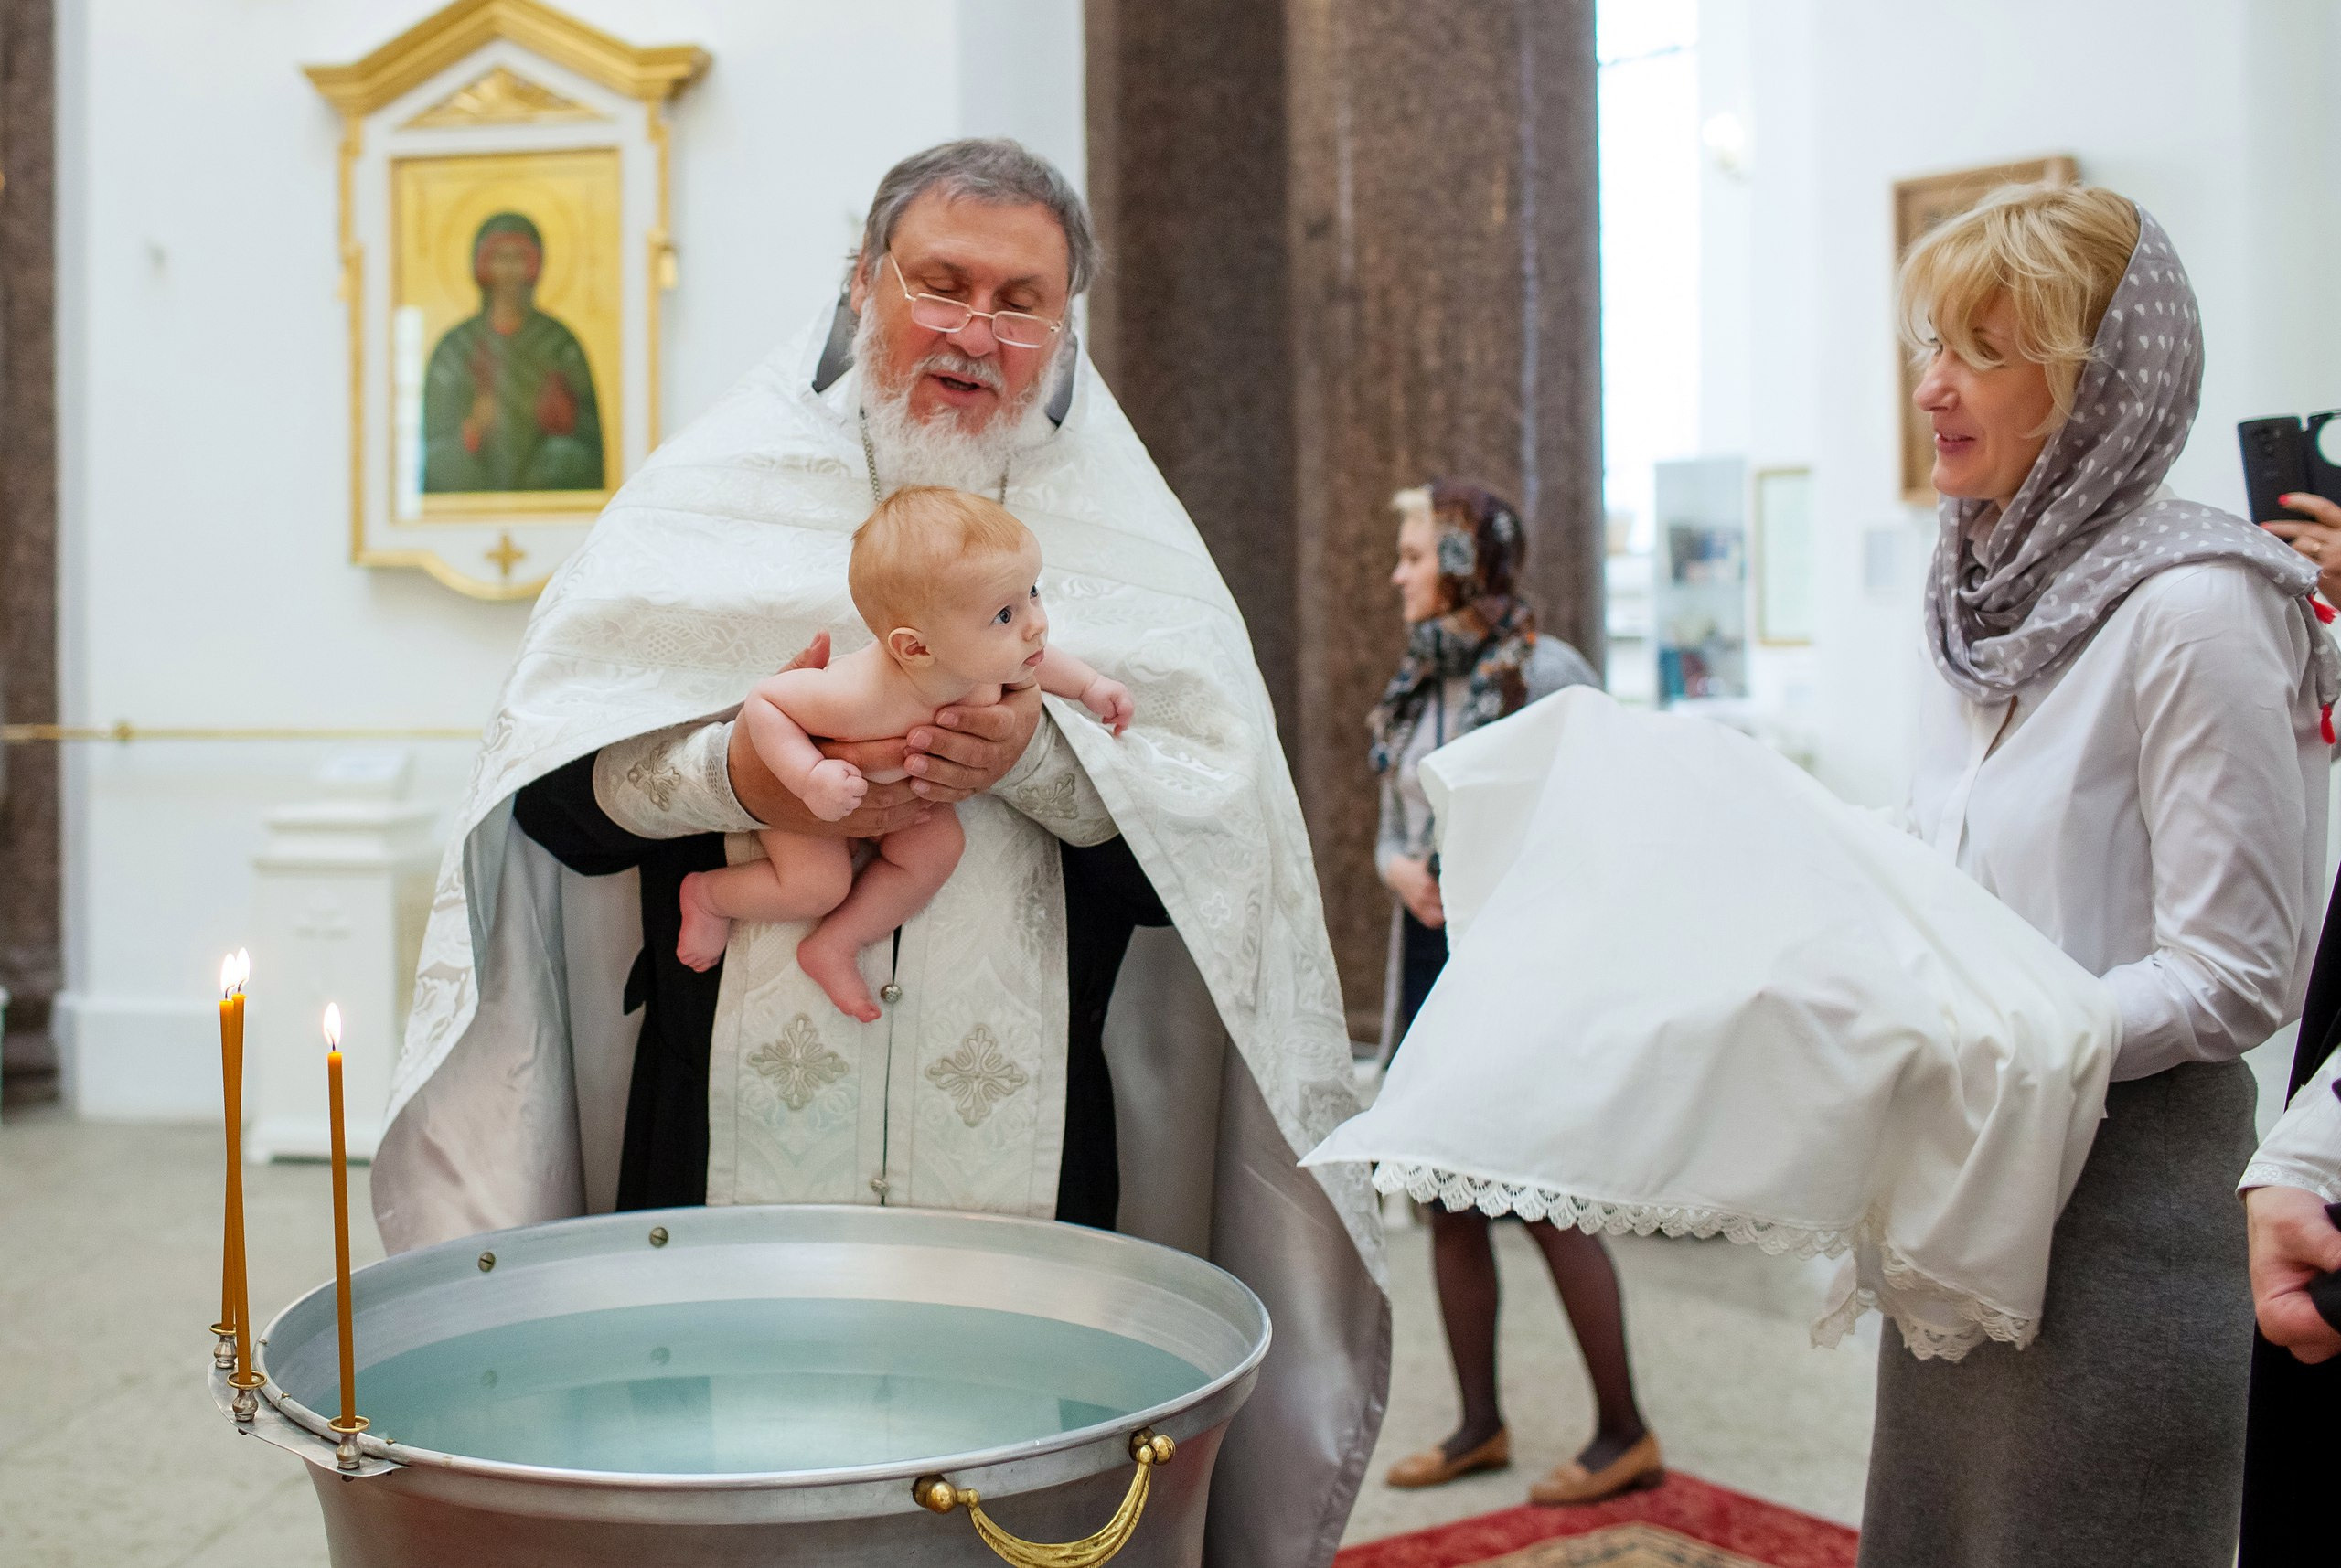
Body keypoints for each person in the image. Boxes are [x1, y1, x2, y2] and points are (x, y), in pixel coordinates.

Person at [372, 139, 1388, 1568]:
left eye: (1022, 301)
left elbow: (1221, 879)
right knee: (723, 1488)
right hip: (713, 1143)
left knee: (1012, 1489)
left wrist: (1033, 758)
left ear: (1068, 326)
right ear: (861, 286)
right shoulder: (711, 493)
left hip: (1041, 1159)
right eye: (943, 283)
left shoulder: (1130, 544)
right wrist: (726, 765)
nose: (976, 332)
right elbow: (549, 806)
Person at [1859, 183, 2335, 1568]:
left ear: (2099, 385)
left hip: (2124, 1212)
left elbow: (2240, 968)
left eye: (1984, 350)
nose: (1933, 386)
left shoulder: (2199, 603)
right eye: (1930, 344)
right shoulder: (1971, 594)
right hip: (1959, 1177)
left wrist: (2016, 1032)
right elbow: (1939, 847)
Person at [1364, 482, 1653, 1505]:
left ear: (1456, 554)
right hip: (1434, 959)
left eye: (1411, 553)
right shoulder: (1417, 677)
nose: (1397, 572)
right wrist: (1400, 869)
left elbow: (1606, 822)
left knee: (1548, 1202)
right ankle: (1477, 1424)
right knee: (1446, 1199)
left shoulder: (1547, 669)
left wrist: (1500, 876)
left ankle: (1623, 1429)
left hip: (1521, 967)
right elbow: (1394, 825)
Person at [675, 485, 1133, 1019]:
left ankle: (835, 945)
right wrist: (809, 778)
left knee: (937, 852)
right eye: (1004, 615)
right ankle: (708, 896)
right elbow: (765, 703)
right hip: (807, 803)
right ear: (914, 648)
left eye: (1033, 591)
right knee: (817, 887)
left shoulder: (989, 658)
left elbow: (1039, 657)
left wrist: (1091, 687)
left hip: (901, 800)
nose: (1036, 622)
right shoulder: (857, 699)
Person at [422, 211, 604, 493]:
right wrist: (473, 431)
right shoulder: (455, 348)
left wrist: (559, 425)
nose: (509, 271)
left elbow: (589, 446)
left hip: (547, 498)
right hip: (473, 498)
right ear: (482, 265)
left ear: (534, 266)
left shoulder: (559, 344)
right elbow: (432, 452)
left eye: (519, 258)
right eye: (499, 258)